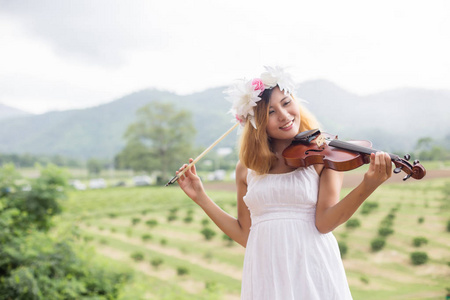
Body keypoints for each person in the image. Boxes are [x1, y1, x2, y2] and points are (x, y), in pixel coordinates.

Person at [176, 66, 392, 299]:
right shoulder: (246, 168)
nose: (285, 115)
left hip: (313, 265)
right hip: (265, 272)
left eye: (287, 103)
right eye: (270, 112)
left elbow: (325, 223)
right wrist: (201, 198)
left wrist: (367, 185)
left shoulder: (324, 155)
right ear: (257, 122)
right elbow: (246, 235)